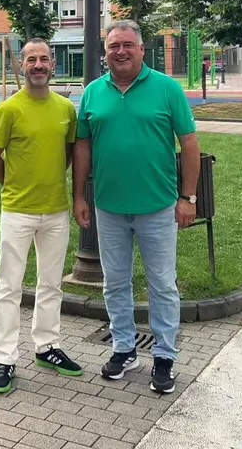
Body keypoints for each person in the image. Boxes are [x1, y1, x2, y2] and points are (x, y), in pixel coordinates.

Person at [73, 20, 201, 394]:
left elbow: (189, 144)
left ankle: (164, 356)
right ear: (105, 52)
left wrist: (187, 197)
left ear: (142, 50)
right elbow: (82, 147)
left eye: (128, 45)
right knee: (115, 284)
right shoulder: (93, 93)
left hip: (157, 207)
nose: (121, 51)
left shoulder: (167, 89)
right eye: (114, 46)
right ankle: (124, 348)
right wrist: (79, 196)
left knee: (162, 284)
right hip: (109, 208)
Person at [0, 38, 82, 394]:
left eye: (44, 59)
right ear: (21, 67)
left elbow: (69, 153)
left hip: (56, 211)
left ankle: (47, 347)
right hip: (17, 212)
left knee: (50, 284)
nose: (38, 65)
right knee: (9, 287)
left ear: (53, 65)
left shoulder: (66, 108)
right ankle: (4, 358)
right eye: (31, 60)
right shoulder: (8, 110)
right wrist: (15, 185)